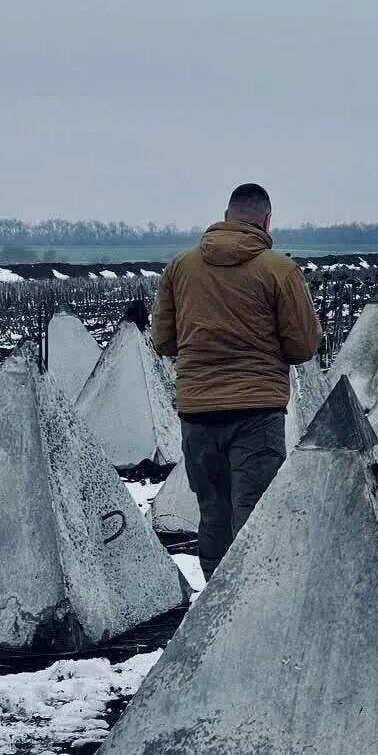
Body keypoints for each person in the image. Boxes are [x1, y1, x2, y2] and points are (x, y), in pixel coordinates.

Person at [151, 183, 322, 578]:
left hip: (197, 412)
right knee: (255, 514)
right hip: (257, 413)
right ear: (266, 221)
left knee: (213, 513)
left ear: (226, 217)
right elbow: (302, 346)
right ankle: (249, 608)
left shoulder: (180, 267)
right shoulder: (280, 270)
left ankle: (213, 606)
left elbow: (162, 340)